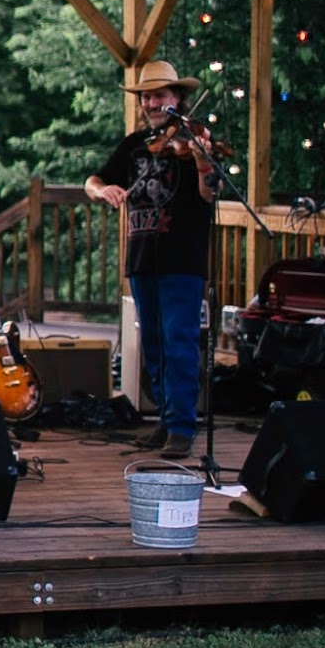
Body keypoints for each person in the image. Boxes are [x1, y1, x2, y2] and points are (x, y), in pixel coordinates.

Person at [84, 60, 219, 459]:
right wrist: (103, 191)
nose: (151, 103)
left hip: (182, 257)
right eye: (146, 96)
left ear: (178, 98)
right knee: (155, 346)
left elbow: (210, 194)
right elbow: (92, 180)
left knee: (180, 342)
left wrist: (201, 159)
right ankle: (165, 416)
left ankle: (182, 427)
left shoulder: (195, 141)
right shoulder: (134, 145)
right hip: (143, 257)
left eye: (159, 95)